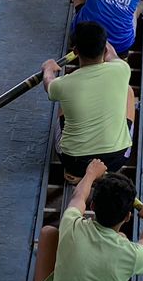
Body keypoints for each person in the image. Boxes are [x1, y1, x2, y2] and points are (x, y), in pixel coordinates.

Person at [44, 21, 135, 182]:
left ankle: (80, 176)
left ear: (76, 51)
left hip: (73, 161)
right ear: (105, 48)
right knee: (128, 91)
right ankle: (101, 174)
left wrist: (48, 68)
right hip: (116, 159)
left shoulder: (64, 84)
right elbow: (112, 55)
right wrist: (101, 39)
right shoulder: (121, 69)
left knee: (63, 101)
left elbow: (48, 83)